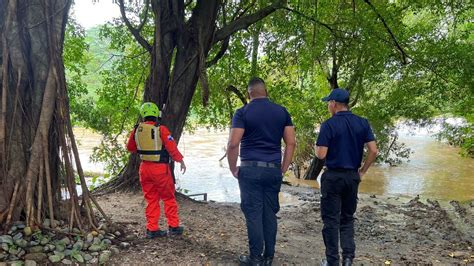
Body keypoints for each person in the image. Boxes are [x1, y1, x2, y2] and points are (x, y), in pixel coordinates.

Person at [227, 77, 296, 266]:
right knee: (269, 214)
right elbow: (291, 143)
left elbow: (233, 144)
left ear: (249, 93)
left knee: (253, 213)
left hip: (249, 169)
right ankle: (268, 257)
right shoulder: (282, 112)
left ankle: (255, 258)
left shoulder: (242, 112)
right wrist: (282, 168)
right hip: (273, 169)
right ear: (265, 91)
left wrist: (233, 168)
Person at [315, 88, 378, 266]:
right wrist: (363, 171)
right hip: (352, 177)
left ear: (334, 104)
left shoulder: (329, 125)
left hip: (333, 177)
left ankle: (332, 260)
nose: (328, 106)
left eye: (329, 103)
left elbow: (321, 154)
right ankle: (348, 258)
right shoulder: (362, 123)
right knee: (348, 217)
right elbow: (373, 150)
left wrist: (316, 147)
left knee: (331, 220)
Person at [126, 102, 187, 239]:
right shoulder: (161, 129)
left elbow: (130, 147)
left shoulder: (137, 130)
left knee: (151, 199)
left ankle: (152, 229)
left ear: (143, 115)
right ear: (156, 115)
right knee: (168, 197)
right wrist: (180, 160)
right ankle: (173, 226)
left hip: (144, 169)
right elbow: (172, 148)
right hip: (160, 169)